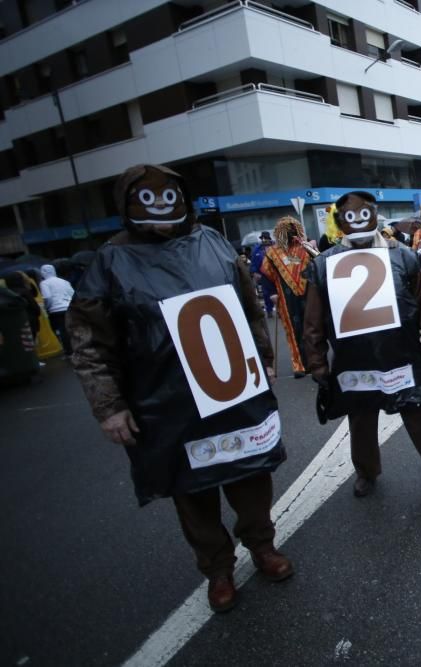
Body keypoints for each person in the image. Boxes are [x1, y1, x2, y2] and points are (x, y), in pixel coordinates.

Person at [67, 164, 291, 613]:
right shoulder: (110, 261)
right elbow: (89, 341)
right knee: (193, 490)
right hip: (166, 400)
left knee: (250, 474)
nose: (161, 206)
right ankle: (218, 569)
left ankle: (262, 546)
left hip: (234, 391)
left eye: (168, 195)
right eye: (145, 198)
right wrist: (109, 406)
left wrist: (264, 359)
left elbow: (248, 309)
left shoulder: (211, 241)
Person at [302, 190, 421, 501]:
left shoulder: (402, 255)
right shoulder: (325, 263)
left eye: (363, 212)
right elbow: (313, 318)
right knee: (361, 420)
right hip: (355, 358)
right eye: (350, 215)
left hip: (402, 353)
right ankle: (366, 472)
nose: (358, 220)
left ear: (374, 215)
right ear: (341, 222)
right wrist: (316, 361)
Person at [258, 216, 314, 378]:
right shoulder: (272, 253)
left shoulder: (306, 248)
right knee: (293, 330)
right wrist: (271, 294)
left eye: (292, 230)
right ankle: (299, 364)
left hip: (309, 295)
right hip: (286, 297)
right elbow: (266, 276)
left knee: (312, 328)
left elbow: (320, 264)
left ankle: (314, 361)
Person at [38, 264, 74, 355]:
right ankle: (77, 349)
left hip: (56, 310)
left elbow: (47, 297)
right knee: (72, 329)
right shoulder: (64, 281)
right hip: (69, 307)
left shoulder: (44, 283)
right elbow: (72, 294)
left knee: (62, 331)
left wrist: (47, 307)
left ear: (42, 272)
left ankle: (68, 351)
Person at [250, 231, 275, 318]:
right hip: (264, 274)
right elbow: (253, 262)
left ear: (269, 238)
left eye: (265, 238)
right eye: (262, 238)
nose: (264, 240)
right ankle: (269, 310)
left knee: (279, 292)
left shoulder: (276, 247)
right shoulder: (257, 249)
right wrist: (255, 272)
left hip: (276, 274)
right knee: (266, 293)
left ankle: (280, 310)